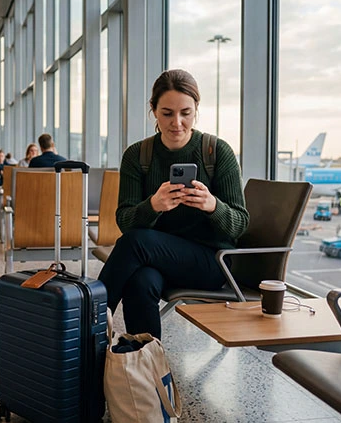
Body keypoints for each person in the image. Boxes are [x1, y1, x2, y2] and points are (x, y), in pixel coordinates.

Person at [97, 69, 249, 339]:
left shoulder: (216, 152)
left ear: (196, 110)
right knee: (139, 282)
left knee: (137, 243)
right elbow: (125, 221)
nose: (177, 123)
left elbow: (239, 224)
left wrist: (213, 205)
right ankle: (146, 365)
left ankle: (90, 319)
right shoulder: (138, 155)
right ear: (153, 110)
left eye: (185, 113)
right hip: (157, 260)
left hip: (211, 262)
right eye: (167, 113)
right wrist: (153, 205)